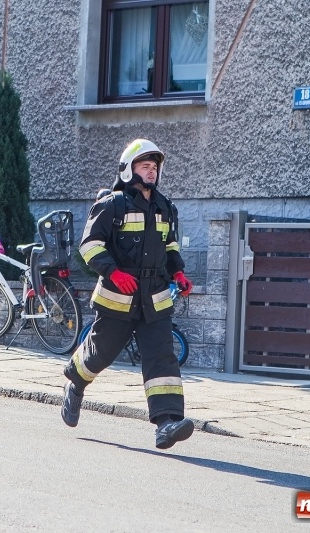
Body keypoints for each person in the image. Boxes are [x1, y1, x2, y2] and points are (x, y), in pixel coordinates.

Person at [61, 138, 195, 450]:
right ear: (128, 170)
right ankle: (76, 381)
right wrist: (113, 272)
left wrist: (178, 273)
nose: (151, 172)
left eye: (154, 167)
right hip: (117, 298)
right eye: (145, 166)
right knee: (100, 353)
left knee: (162, 357)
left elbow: (170, 246)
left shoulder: (166, 208)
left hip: (156, 299)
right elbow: (89, 245)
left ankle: (167, 424)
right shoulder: (112, 205)